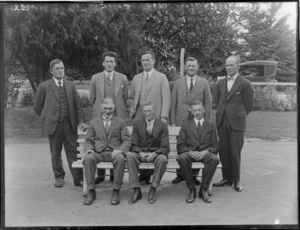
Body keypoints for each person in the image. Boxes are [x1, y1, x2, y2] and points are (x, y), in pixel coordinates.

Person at [33, 59, 88, 188]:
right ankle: (59, 177)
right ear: (51, 71)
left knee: (74, 152)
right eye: (57, 68)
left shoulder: (70, 85)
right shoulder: (44, 86)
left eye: (62, 68)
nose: (60, 70)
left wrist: (80, 122)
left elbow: (78, 105)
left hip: (70, 125)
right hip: (54, 125)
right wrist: (47, 117)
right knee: (55, 153)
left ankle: (78, 178)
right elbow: (37, 106)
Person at [128, 50, 171, 185]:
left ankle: (151, 175)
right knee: (141, 143)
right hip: (139, 117)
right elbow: (131, 97)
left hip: (156, 115)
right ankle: (143, 175)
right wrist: (131, 112)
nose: (145, 62)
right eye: (143, 60)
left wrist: (163, 116)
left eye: (148, 60)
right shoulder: (136, 78)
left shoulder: (161, 77)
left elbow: (166, 98)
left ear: (153, 61)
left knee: (153, 142)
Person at [213, 55, 254, 192]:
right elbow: (218, 101)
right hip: (221, 121)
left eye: (232, 65)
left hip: (237, 122)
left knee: (235, 152)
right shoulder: (220, 83)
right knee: (223, 151)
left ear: (238, 66)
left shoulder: (245, 83)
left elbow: (249, 105)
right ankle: (226, 178)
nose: (229, 68)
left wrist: (238, 115)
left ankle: (236, 180)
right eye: (227, 65)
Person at [170, 57, 212, 185]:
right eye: (189, 66)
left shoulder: (204, 83)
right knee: (181, 145)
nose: (191, 68)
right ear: (185, 67)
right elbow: (173, 103)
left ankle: (194, 175)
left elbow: (208, 103)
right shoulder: (178, 82)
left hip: (198, 118)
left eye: (193, 66)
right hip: (181, 118)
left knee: (197, 144)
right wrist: (172, 121)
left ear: (197, 67)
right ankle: (180, 174)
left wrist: (206, 121)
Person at [89, 51, 129, 184]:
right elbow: (93, 97)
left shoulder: (122, 78)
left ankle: (114, 175)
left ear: (115, 63)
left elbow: (124, 97)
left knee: (115, 140)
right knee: (100, 139)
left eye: (112, 61)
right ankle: (100, 175)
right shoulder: (95, 78)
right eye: (107, 61)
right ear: (103, 63)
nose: (109, 64)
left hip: (117, 113)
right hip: (101, 113)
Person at [83, 98, 131, 205]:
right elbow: (89, 140)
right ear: (101, 108)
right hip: (98, 152)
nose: (108, 111)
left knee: (120, 158)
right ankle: (91, 191)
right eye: (105, 108)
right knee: (88, 158)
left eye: (110, 108)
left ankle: (116, 191)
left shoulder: (120, 122)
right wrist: (89, 150)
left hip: (113, 153)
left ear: (114, 108)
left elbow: (127, 139)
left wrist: (120, 150)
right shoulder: (94, 122)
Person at [126, 102, 169, 204]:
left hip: (156, 154)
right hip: (141, 153)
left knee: (163, 159)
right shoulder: (137, 123)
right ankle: (136, 189)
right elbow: (134, 144)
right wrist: (140, 153)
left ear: (154, 111)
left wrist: (154, 154)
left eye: (149, 111)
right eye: (145, 111)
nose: (147, 113)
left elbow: (165, 147)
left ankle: (153, 188)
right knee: (130, 156)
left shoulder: (162, 125)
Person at [177, 101, 219, 203]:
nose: (197, 112)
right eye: (195, 110)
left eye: (199, 110)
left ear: (204, 110)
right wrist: (189, 152)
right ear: (191, 112)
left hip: (205, 153)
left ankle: (203, 190)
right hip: (190, 153)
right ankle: (191, 190)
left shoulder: (211, 126)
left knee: (214, 159)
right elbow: (180, 145)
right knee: (182, 158)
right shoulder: (185, 126)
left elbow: (215, 146)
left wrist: (206, 151)